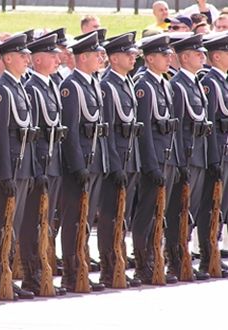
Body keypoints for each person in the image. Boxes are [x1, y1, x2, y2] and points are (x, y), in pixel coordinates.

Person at [0, 33, 36, 300]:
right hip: (11, 168)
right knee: (2, 224)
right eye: (22, 55)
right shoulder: (2, 90)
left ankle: (7, 273)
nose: (27, 59)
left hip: (23, 165)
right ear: (7, 58)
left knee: (14, 225)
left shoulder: (18, 86)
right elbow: (1, 135)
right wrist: (4, 172)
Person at [58, 31, 107, 293]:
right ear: (84, 56)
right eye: (96, 54)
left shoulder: (92, 83)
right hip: (79, 165)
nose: (101, 58)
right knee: (74, 218)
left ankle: (82, 268)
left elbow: (100, 127)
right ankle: (71, 272)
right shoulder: (71, 86)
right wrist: (77, 166)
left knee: (86, 219)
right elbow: (72, 130)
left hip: (95, 160)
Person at [22, 34, 67, 296]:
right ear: (38, 59)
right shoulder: (32, 89)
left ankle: (43, 269)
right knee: (33, 223)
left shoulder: (50, 86)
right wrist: (39, 169)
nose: (57, 59)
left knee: (47, 221)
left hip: (54, 164)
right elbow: (35, 135)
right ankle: (31, 275)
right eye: (52, 56)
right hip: (41, 166)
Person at [132, 34, 179, 285]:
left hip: (167, 157)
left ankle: (154, 257)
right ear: (150, 58)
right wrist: (150, 165)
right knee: (147, 213)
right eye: (164, 55)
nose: (169, 58)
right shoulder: (144, 85)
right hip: (154, 161)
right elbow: (145, 129)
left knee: (158, 214)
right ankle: (143, 263)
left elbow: (171, 126)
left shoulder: (163, 82)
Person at [166, 34, 212, 281]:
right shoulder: (178, 85)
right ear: (184, 57)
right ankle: (175, 261)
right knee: (179, 211)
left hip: (199, 155)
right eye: (198, 53)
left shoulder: (194, 82)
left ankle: (183, 258)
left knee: (190, 211)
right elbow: (178, 127)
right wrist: (181, 161)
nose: (203, 57)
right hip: (186, 156)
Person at [99, 32, 143, 288]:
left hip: (130, 159)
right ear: (114, 58)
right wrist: (116, 165)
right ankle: (109, 268)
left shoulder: (126, 82)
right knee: (110, 217)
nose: (133, 57)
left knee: (122, 217)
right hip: (117, 162)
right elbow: (109, 130)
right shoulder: (107, 86)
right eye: (128, 54)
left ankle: (118, 264)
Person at [197, 33, 228, 278]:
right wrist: (214, 158)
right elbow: (210, 126)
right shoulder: (210, 83)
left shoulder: (223, 81)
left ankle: (214, 253)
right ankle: (207, 256)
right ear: (216, 56)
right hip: (218, 155)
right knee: (211, 207)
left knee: (221, 208)